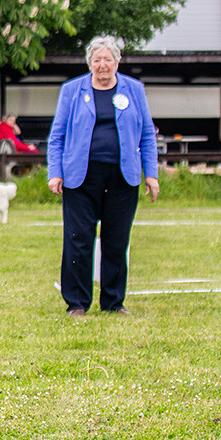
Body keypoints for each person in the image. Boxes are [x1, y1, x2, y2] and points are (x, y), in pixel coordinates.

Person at [47, 35, 159, 317]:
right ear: (90, 63)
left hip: (123, 177)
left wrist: (151, 174)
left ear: (117, 61)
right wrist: (55, 172)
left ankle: (113, 302)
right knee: (78, 238)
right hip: (80, 178)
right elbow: (57, 136)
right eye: (97, 60)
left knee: (117, 240)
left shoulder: (134, 90)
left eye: (108, 59)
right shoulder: (72, 90)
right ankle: (77, 302)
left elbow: (147, 134)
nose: (103, 65)